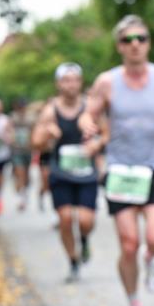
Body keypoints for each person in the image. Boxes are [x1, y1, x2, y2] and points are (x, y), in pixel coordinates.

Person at [80, 15, 154, 306]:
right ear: (119, 47)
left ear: (148, 43)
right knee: (128, 244)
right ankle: (134, 303)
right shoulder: (107, 82)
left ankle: (151, 259)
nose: (135, 44)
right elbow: (88, 113)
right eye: (128, 40)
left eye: (141, 38)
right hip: (121, 169)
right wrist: (87, 125)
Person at [33, 63, 103, 282]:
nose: (71, 85)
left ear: (80, 82)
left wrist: (97, 144)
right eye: (66, 80)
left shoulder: (91, 107)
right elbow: (35, 142)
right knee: (65, 219)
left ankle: (84, 239)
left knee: (85, 221)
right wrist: (47, 134)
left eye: (74, 80)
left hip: (86, 172)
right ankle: (73, 262)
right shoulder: (50, 110)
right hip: (61, 173)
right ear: (58, 84)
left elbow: (107, 133)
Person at [10, 97, 36, 211]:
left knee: (26, 173)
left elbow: (34, 131)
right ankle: (22, 198)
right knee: (19, 172)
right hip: (16, 150)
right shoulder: (13, 117)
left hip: (28, 150)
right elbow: (9, 131)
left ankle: (25, 192)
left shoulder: (31, 118)